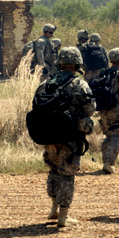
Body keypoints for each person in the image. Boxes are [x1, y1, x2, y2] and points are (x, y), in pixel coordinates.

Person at [37, 47, 95, 227]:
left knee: (53, 169)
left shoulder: (47, 83)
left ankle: (53, 209)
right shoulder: (80, 84)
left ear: (60, 63)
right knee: (68, 174)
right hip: (70, 137)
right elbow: (90, 109)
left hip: (49, 136)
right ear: (77, 63)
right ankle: (63, 216)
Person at [95, 48, 119, 174]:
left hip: (103, 110)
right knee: (116, 136)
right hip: (116, 110)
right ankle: (108, 163)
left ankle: (105, 161)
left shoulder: (103, 73)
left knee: (108, 137)